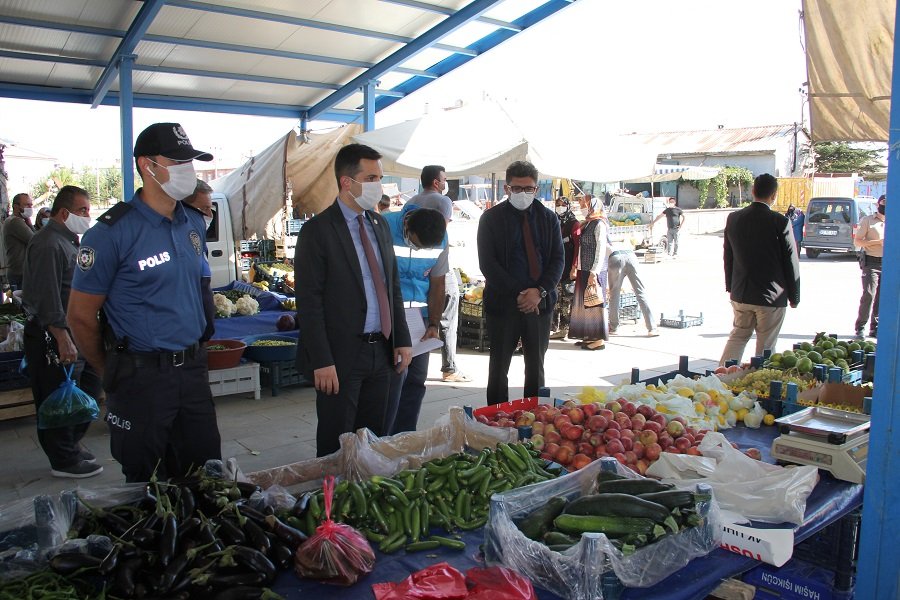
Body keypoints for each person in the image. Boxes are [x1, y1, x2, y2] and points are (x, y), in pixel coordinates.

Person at [68, 122, 222, 483]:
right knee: (146, 483)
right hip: (141, 376)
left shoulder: (192, 223)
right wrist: (108, 369)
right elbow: (80, 316)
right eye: (177, 162)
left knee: (206, 475)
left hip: (192, 370)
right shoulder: (110, 233)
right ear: (146, 165)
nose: (187, 170)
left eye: (190, 162)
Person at [294, 143, 412, 456]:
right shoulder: (317, 231)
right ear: (347, 182)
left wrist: (402, 339)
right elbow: (309, 302)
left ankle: (368, 487)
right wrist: (322, 360)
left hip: (381, 351)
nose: (378, 186)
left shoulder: (379, 225)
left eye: (380, 178)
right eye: (371, 178)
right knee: (337, 443)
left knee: (374, 441)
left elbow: (392, 286)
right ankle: (333, 490)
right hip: (341, 355)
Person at [22, 185, 103, 479]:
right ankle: (63, 459)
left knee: (86, 390)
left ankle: (72, 445)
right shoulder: (48, 244)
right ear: (65, 213)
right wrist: (61, 337)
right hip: (54, 335)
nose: (87, 216)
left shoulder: (68, 241)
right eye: (83, 210)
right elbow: (47, 295)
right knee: (57, 396)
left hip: (75, 332)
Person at [477, 161, 564, 405]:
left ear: (536, 189)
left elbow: (558, 260)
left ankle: (535, 416)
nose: (523, 193)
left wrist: (539, 291)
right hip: (503, 303)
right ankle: (496, 417)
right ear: (507, 188)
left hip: (540, 305)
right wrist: (519, 293)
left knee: (536, 367)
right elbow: (488, 263)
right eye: (517, 188)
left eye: (529, 189)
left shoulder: (549, 218)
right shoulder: (491, 219)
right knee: (498, 368)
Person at [720, 174, 800, 365]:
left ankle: (722, 376)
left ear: (753, 191)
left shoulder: (734, 218)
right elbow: (791, 261)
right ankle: (760, 380)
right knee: (766, 345)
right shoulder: (780, 221)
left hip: (741, 293)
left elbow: (728, 256)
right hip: (771, 297)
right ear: (774, 195)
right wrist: (794, 296)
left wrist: (731, 286)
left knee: (738, 337)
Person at [383, 204, 449, 434]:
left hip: (419, 323)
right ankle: (384, 438)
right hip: (389, 320)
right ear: (407, 227)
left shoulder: (440, 237)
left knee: (416, 381)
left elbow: (438, 283)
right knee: (392, 381)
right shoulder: (384, 226)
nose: (419, 250)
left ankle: (406, 435)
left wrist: (433, 323)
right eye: (416, 244)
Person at [406, 165, 470, 383]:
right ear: (436, 182)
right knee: (448, 315)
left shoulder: (411, 201)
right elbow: (438, 235)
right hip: (436, 263)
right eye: (444, 179)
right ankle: (449, 367)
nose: (445, 183)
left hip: (415, 268)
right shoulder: (443, 201)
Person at [568, 196, 610, 351]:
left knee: (594, 303)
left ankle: (598, 339)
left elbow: (600, 249)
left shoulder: (599, 224)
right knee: (584, 303)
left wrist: (594, 271)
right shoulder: (587, 223)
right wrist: (576, 266)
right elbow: (581, 248)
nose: (582, 207)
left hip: (594, 270)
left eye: (584, 204)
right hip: (583, 269)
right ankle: (588, 335)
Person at [182, 179, 216, 342]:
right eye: (204, 209)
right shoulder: (184, 245)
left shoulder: (198, 240)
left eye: (210, 209)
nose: (209, 215)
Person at [607, 236, 659, 337]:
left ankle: (614, 327)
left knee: (614, 294)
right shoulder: (619, 240)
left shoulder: (602, 242)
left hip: (615, 257)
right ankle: (652, 328)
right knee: (640, 292)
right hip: (631, 256)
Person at [853, 194, 885, 339]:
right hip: (871, 262)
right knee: (869, 294)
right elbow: (858, 241)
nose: (886, 205)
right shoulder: (868, 220)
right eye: (883, 202)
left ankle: (875, 327)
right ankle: (860, 326)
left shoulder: (893, 221)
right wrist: (877, 242)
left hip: (887, 263)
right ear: (878, 204)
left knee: (881, 297)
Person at [550, 197, 580, 339]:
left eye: (563, 205)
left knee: (567, 298)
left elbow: (578, 247)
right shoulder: (554, 221)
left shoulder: (574, 224)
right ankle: (554, 327)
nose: (560, 207)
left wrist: (574, 266)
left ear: (568, 206)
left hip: (568, 267)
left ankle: (565, 328)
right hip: (555, 268)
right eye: (558, 205)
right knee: (555, 298)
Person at [3, 192, 35, 288]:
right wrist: (30, 224)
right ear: (16, 206)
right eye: (27, 205)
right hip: (20, 274)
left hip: (18, 272)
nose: (30, 208)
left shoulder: (17, 220)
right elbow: (35, 240)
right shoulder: (15, 221)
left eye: (31, 205)